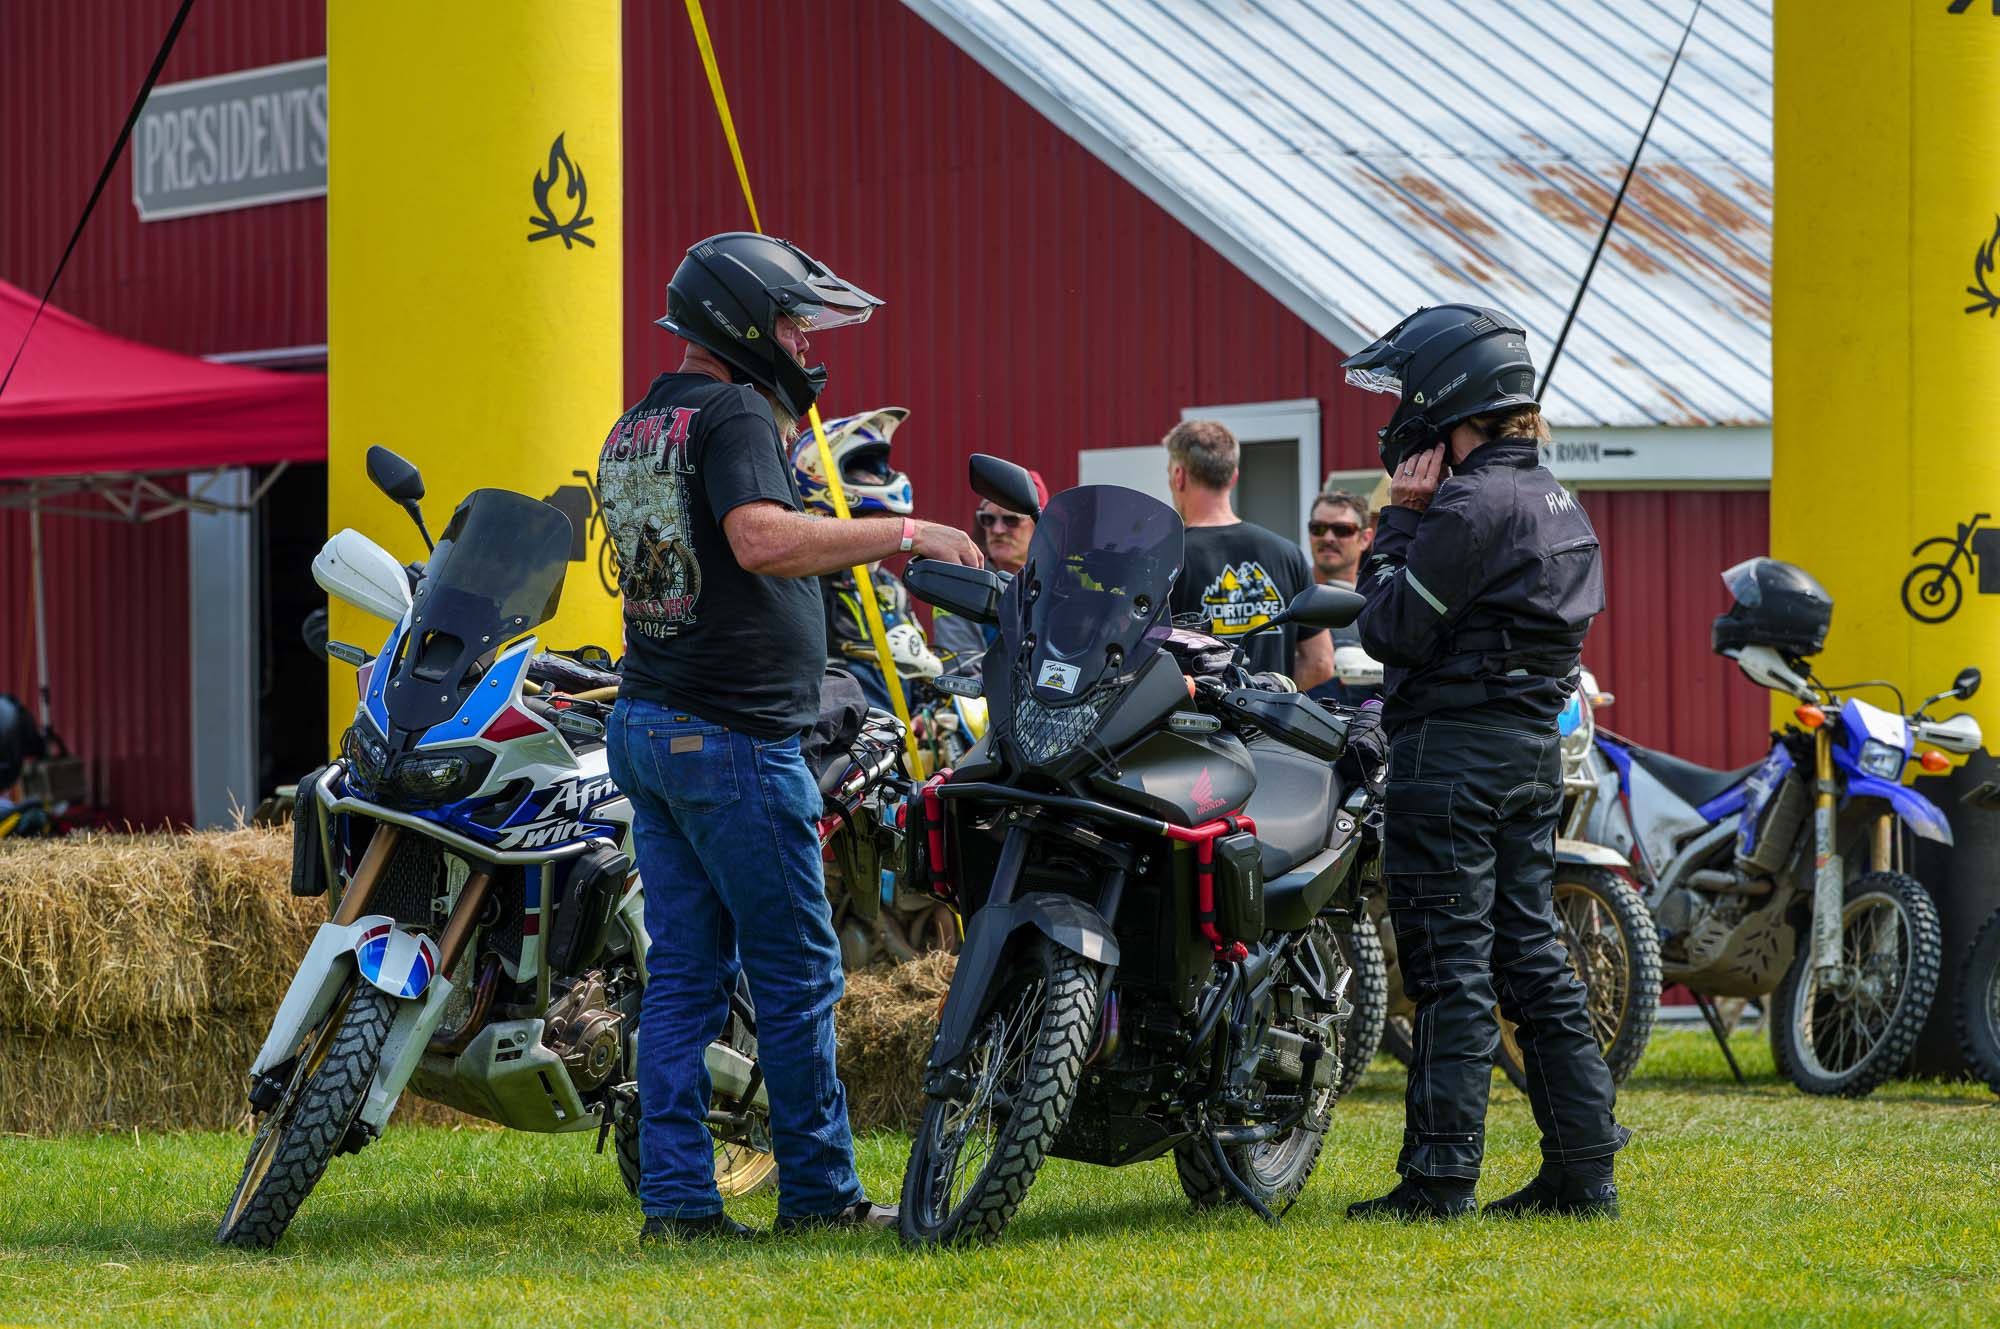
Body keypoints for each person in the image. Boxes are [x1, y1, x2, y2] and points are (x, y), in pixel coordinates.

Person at [596, 231, 981, 1244]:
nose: (804, 340)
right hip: (729, 737)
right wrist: (905, 532)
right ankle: (819, 1194)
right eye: (790, 320)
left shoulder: (643, 419)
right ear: (739, 321)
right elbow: (759, 539)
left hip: (651, 721)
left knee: (683, 971)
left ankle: (677, 1204)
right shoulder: (731, 412)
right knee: (798, 967)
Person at [1339, 303, 1627, 1221]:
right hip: (1530, 754)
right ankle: (1585, 1172)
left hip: (1452, 758)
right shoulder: (1558, 499)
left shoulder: (1463, 505)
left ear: (1443, 393)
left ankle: (1438, 1179)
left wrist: (1397, 523)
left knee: (1452, 967)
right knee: (1532, 958)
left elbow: (1388, 628)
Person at [1162, 420, 1333, 691]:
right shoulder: (1287, 554)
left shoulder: (1166, 558)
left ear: (1179, 476)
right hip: (1270, 728)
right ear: (1233, 477)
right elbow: (1321, 662)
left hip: (1194, 729)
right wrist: (1263, 695)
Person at [793, 406, 942, 709]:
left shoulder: (889, 587)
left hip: (896, 745)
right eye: (871, 519)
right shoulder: (799, 583)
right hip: (835, 742)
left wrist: (929, 712)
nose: (877, 477)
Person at [929, 469, 1047, 667]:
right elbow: (962, 665)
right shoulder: (962, 583)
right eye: (988, 519)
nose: (998, 530)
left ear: (1041, 525)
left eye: (1011, 520)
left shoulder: (1068, 582)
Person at [1304, 489, 1378, 707]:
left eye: (1342, 530)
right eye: (1318, 528)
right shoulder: (1289, 593)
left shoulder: (1380, 600)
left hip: (1365, 728)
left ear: (1365, 538)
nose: (1328, 538)